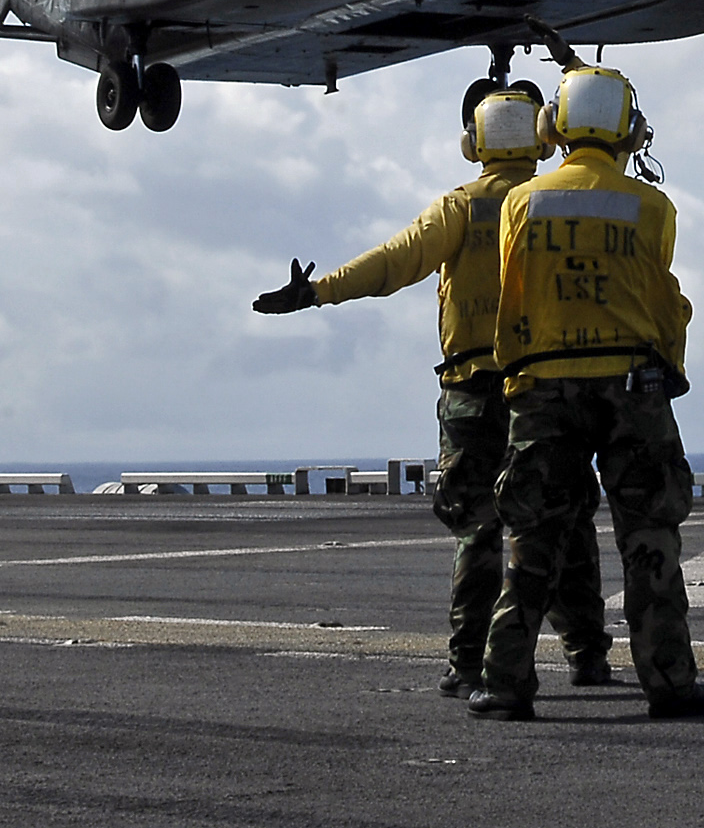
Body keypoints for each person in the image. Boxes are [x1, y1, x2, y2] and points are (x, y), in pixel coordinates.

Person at [252, 85, 615, 697]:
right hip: (548, 391)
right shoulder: (556, 205)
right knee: (565, 518)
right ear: (543, 135)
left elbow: (394, 261)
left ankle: (468, 662)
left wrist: (318, 291)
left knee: (478, 528)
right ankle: (586, 654)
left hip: (474, 391)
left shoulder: (461, 208)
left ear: (474, 144)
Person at [468, 65, 704, 722]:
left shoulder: (522, 203)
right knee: (650, 535)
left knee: (533, 537)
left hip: (543, 386)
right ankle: (669, 681)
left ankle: (504, 682)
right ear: (629, 130)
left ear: (552, 126)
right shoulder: (652, 207)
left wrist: (517, 377)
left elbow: (513, 294)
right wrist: (670, 366)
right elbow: (664, 303)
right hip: (632, 386)